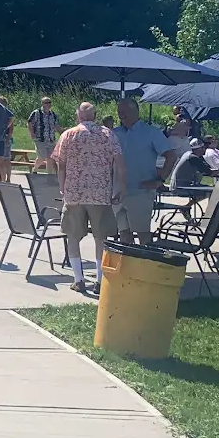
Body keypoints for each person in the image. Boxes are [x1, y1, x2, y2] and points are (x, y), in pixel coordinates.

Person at [53, 101, 124, 296]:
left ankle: (79, 279)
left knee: (73, 236)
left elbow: (61, 164)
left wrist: (62, 187)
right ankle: (100, 282)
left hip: (74, 193)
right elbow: (119, 163)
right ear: (95, 115)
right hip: (100, 194)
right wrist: (119, 188)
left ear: (78, 115)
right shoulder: (108, 135)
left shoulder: (68, 135)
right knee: (100, 238)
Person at [112, 97, 178, 247]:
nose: (121, 115)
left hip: (140, 191)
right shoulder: (114, 133)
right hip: (118, 192)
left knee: (143, 235)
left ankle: (144, 265)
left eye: (124, 111)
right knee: (124, 234)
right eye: (119, 112)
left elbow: (171, 156)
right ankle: (128, 268)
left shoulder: (151, 133)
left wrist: (160, 180)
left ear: (135, 111)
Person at [28, 97, 61, 173]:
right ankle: (35, 169)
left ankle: (49, 175)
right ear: (42, 104)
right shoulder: (36, 113)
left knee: (50, 158)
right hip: (40, 139)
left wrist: (61, 133)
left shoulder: (53, 114)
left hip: (51, 139)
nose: (48, 104)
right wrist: (32, 133)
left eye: (50, 102)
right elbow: (30, 123)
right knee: (42, 157)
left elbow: (56, 126)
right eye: (46, 103)